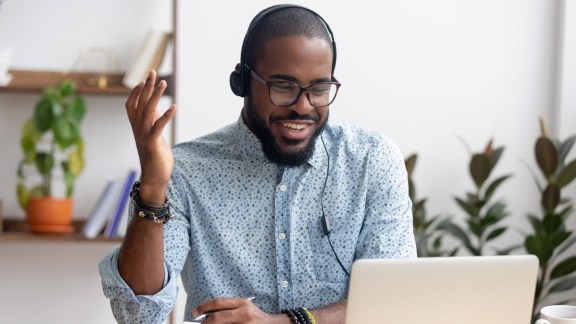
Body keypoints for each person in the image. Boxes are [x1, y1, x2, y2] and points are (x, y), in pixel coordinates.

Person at [99, 4, 416, 324]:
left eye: (319, 89)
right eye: (284, 87)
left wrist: (285, 322)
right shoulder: (185, 171)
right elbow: (137, 315)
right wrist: (153, 188)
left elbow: (394, 302)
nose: (303, 107)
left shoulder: (371, 161)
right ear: (242, 82)